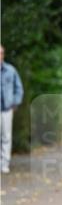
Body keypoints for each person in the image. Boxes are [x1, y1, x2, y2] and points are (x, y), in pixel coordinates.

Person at [0, 45, 24, 174]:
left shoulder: (11, 70)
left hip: (6, 109)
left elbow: (18, 88)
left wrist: (15, 103)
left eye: (1, 53)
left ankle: (4, 164)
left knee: (6, 137)